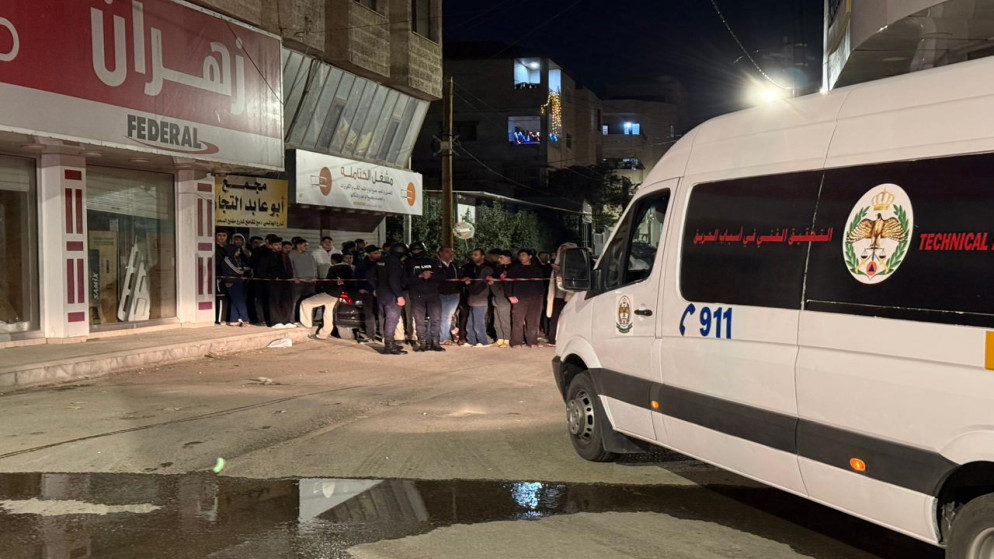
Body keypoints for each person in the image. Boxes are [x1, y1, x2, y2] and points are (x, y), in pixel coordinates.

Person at [300, 253, 352, 339]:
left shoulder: (334, 269)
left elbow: (330, 282)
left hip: (331, 293)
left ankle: (306, 325)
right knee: (328, 313)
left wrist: (322, 285)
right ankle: (323, 334)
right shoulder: (349, 269)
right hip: (340, 294)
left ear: (333, 260)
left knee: (305, 303)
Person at [405, 241, 444, 352]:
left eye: (419, 250)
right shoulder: (408, 263)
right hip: (416, 295)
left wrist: (431, 276)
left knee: (436, 319)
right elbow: (404, 280)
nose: (417, 252)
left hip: (433, 294)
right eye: (414, 250)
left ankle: (435, 342)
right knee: (419, 320)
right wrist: (419, 276)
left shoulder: (433, 262)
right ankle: (422, 342)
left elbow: (442, 276)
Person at [506, 248, 546, 348]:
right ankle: (516, 342)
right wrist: (509, 295)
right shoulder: (514, 269)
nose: (521, 257)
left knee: (533, 320)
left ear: (530, 256)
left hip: (535, 297)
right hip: (519, 297)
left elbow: (541, 283)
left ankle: (532, 341)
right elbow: (508, 282)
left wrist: (541, 295)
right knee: (517, 320)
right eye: (520, 255)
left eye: (523, 255)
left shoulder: (536, 269)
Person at [375, 242, 408, 355]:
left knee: (385, 319)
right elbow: (393, 280)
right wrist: (399, 296)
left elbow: (370, 274)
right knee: (392, 320)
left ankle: (390, 343)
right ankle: (389, 346)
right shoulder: (395, 262)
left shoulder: (381, 260)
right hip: (391, 295)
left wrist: (375, 288)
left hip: (381, 294)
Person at [546, 243, 578, 345]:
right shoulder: (557, 263)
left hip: (572, 295)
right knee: (555, 316)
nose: (564, 252)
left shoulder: (578, 263)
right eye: (562, 250)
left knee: (571, 317)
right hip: (558, 294)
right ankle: (552, 338)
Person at [464, 249, 493, 347]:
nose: (473, 256)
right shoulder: (474, 268)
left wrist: (468, 284)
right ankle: (471, 341)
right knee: (470, 323)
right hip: (473, 300)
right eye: (472, 254)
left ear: (483, 256)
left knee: (478, 323)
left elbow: (478, 288)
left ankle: (484, 341)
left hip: (480, 299)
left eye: (476, 254)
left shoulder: (486, 269)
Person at [355, 245, 382, 342]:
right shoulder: (362, 264)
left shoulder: (382, 262)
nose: (378, 255)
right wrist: (360, 288)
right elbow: (357, 277)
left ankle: (383, 334)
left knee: (381, 313)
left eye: (379, 252)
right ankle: (371, 335)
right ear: (369, 254)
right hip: (367, 292)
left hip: (380, 291)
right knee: (369, 314)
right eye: (375, 253)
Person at [222, 237, 250, 326]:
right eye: (237, 250)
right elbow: (236, 270)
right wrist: (242, 271)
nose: (239, 252)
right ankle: (245, 319)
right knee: (240, 302)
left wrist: (242, 270)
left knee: (235, 302)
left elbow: (247, 267)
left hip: (239, 282)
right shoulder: (227, 259)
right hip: (231, 282)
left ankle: (233, 319)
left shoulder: (237, 259)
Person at [488, 249, 513, 348]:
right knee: (497, 321)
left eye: (501, 257)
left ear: (508, 258)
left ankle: (506, 340)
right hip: (496, 297)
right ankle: (500, 339)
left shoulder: (513, 268)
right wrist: (492, 280)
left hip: (504, 298)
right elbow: (493, 277)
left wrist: (496, 281)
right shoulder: (499, 268)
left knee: (504, 320)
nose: (499, 259)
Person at [436, 246, 461, 345]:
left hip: (453, 294)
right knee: (439, 316)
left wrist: (458, 291)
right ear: (440, 253)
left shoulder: (454, 265)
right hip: (439, 294)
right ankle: (448, 333)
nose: (451, 254)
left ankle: (443, 337)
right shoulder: (435, 264)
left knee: (446, 316)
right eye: (447, 252)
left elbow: (459, 278)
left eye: (451, 252)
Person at [289, 238, 317, 322]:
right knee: (294, 301)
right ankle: (292, 320)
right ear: (298, 246)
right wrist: (294, 277)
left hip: (310, 282)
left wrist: (314, 277)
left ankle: (307, 320)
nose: (306, 247)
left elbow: (314, 267)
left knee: (310, 301)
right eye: (305, 245)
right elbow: (290, 268)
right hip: (298, 282)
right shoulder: (291, 255)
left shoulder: (310, 255)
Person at [214, 229, 229, 324]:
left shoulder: (226, 248)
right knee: (221, 297)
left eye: (224, 235)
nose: (221, 237)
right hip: (219, 276)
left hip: (227, 277)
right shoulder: (215, 248)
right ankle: (220, 319)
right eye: (219, 235)